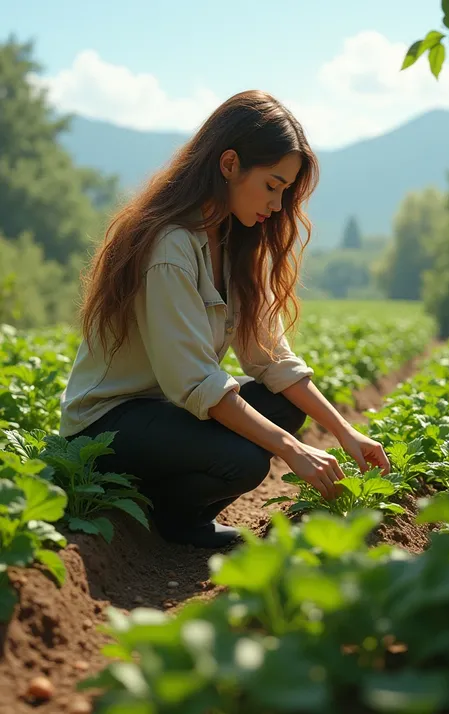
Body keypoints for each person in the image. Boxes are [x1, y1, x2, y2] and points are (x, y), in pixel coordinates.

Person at [59, 90, 390, 548]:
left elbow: (271, 359)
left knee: (286, 404)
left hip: (163, 412)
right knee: (247, 461)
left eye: (285, 191)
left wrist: (344, 432)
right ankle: (173, 521)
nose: (277, 205)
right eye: (272, 185)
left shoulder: (233, 239)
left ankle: (165, 504)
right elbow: (197, 383)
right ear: (229, 164)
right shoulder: (169, 247)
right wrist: (293, 451)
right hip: (107, 426)